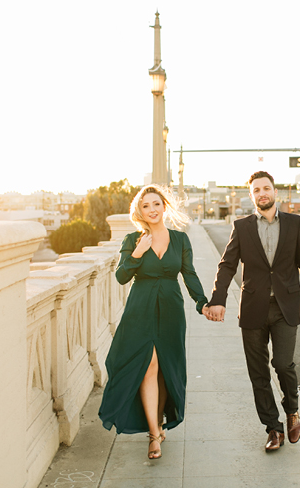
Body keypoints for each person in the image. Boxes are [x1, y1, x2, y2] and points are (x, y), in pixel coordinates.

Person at [206, 171, 300, 452]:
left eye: (266, 188)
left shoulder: (294, 224)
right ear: (251, 196)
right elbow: (227, 265)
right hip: (253, 308)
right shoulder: (242, 226)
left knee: (283, 364)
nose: (262, 193)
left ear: (275, 192)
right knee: (258, 372)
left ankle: (292, 410)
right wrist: (217, 299)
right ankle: (273, 428)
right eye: (256, 189)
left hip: (286, 307)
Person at [98, 185, 209, 459]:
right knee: (148, 365)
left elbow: (189, 275)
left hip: (171, 308)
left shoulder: (180, 240)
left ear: (164, 206)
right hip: (140, 309)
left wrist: (202, 301)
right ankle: (153, 434)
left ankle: (159, 423)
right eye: (146, 205)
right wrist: (138, 253)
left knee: (164, 368)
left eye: (156, 204)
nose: (152, 209)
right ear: (140, 211)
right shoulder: (132, 240)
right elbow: (122, 277)